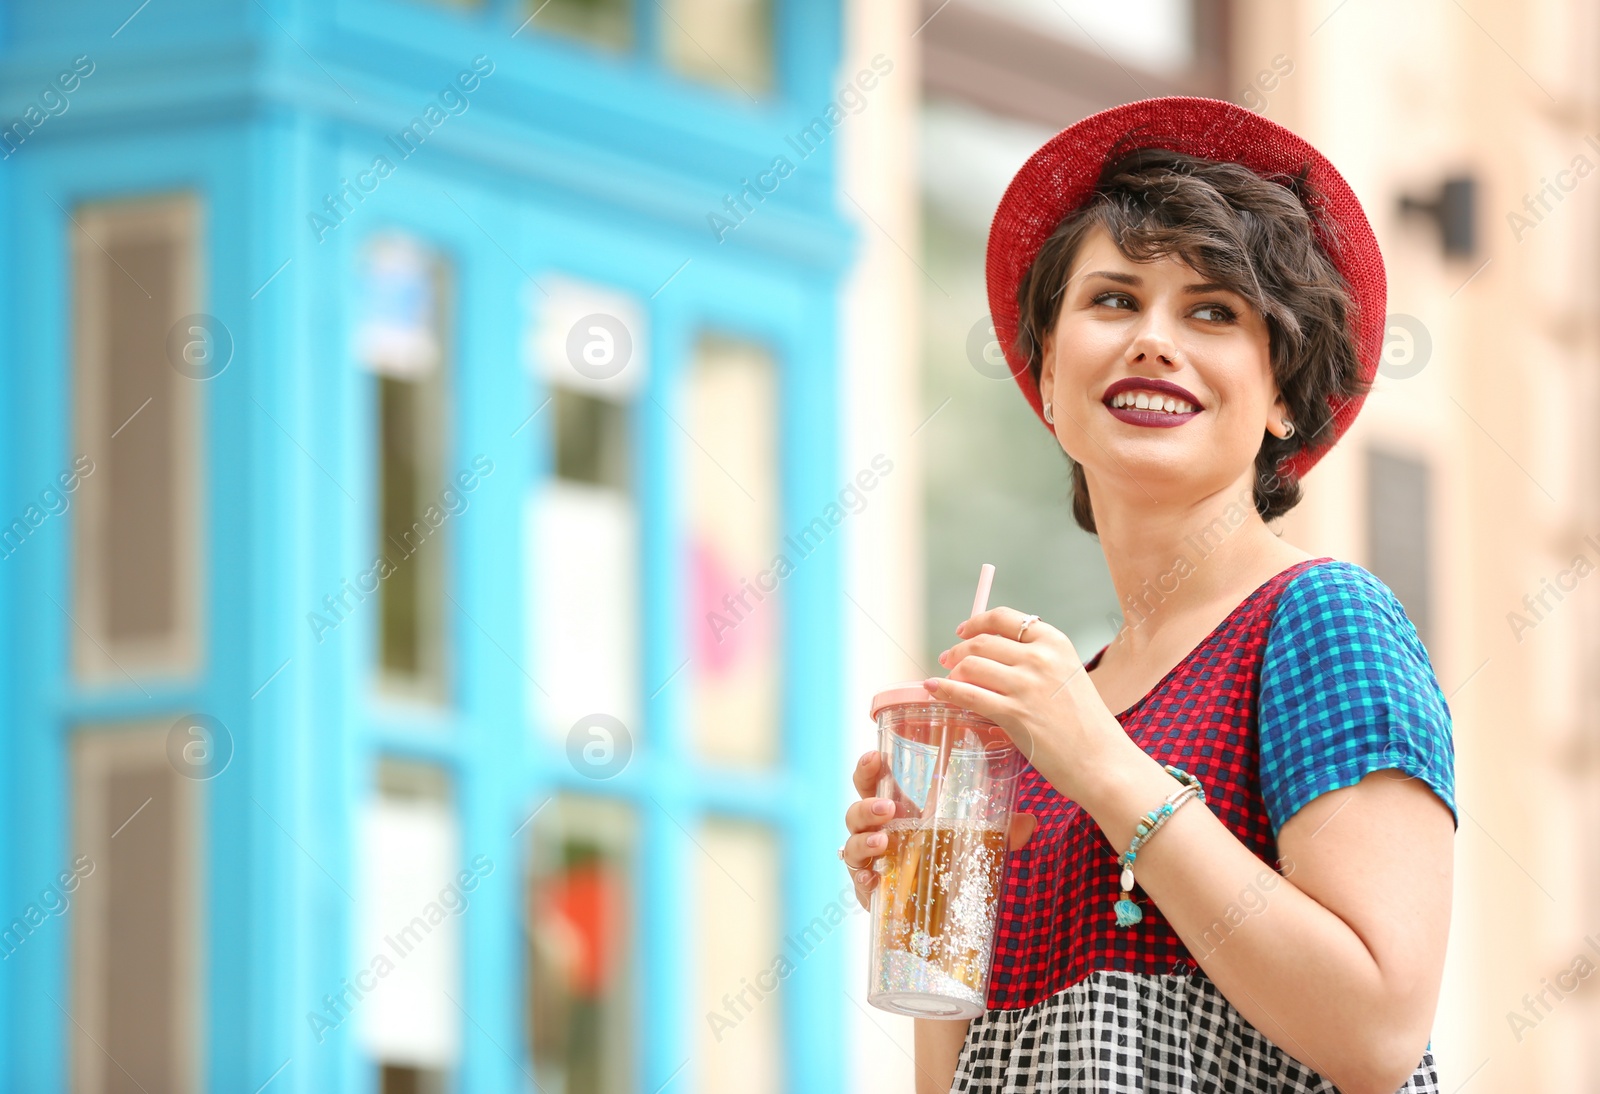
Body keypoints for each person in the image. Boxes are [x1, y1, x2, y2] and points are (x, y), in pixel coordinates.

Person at [840, 96, 1457, 1094]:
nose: (1153, 341)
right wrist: (927, 919)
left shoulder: (1321, 620)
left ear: (1285, 394)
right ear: (1045, 377)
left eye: (1210, 310)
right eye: (1113, 301)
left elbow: (1377, 1028)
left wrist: (1101, 765)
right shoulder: (1046, 720)